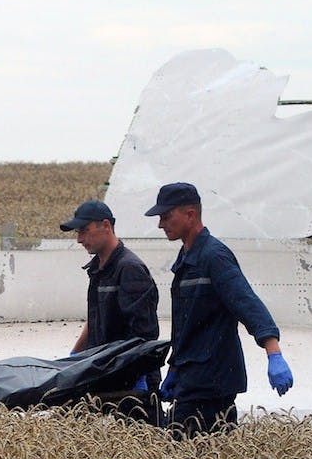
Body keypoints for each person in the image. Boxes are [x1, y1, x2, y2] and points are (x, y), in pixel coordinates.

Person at [144, 182, 294, 438]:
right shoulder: (186, 259)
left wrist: (274, 354)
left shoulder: (214, 256)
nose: (161, 224)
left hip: (211, 380)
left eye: (166, 216)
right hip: (193, 377)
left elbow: (247, 303)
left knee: (187, 456)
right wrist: (175, 368)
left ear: (190, 214)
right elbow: (188, 325)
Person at [59, 200, 160, 393]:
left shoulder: (129, 269)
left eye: (84, 230)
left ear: (106, 226)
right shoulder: (98, 269)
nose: (79, 239)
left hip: (129, 380)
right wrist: (74, 358)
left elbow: (144, 334)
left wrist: (138, 377)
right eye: (77, 232)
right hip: (103, 373)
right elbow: (95, 319)